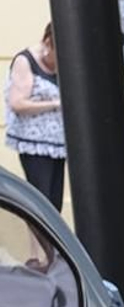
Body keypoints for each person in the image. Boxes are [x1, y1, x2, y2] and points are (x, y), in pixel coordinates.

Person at [5, 23, 66, 210]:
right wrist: (54, 104)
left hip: (58, 145)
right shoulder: (26, 61)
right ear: (48, 44)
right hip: (35, 144)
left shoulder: (63, 64)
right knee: (41, 202)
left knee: (54, 203)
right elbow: (17, 103)